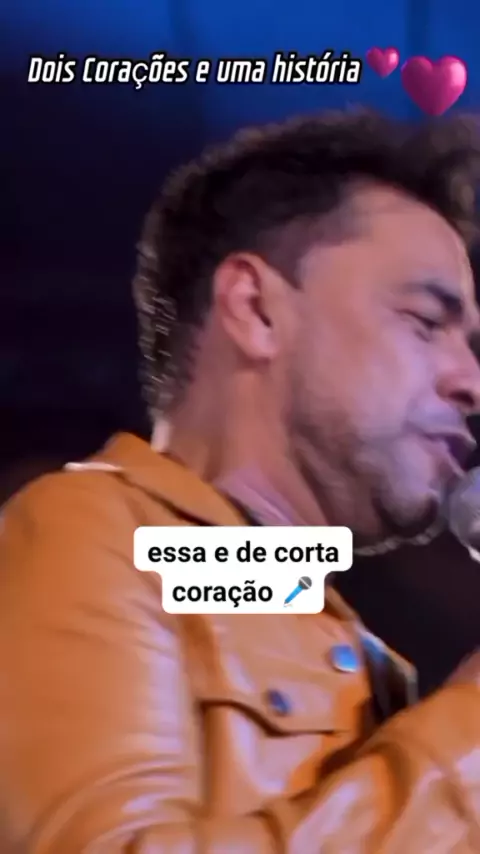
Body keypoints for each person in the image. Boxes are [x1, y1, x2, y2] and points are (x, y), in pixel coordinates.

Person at [2, 109, 480, 853]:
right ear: (256, 310)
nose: (471, 381)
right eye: (425, 322)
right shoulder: (93, 532)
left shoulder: (274, 589)